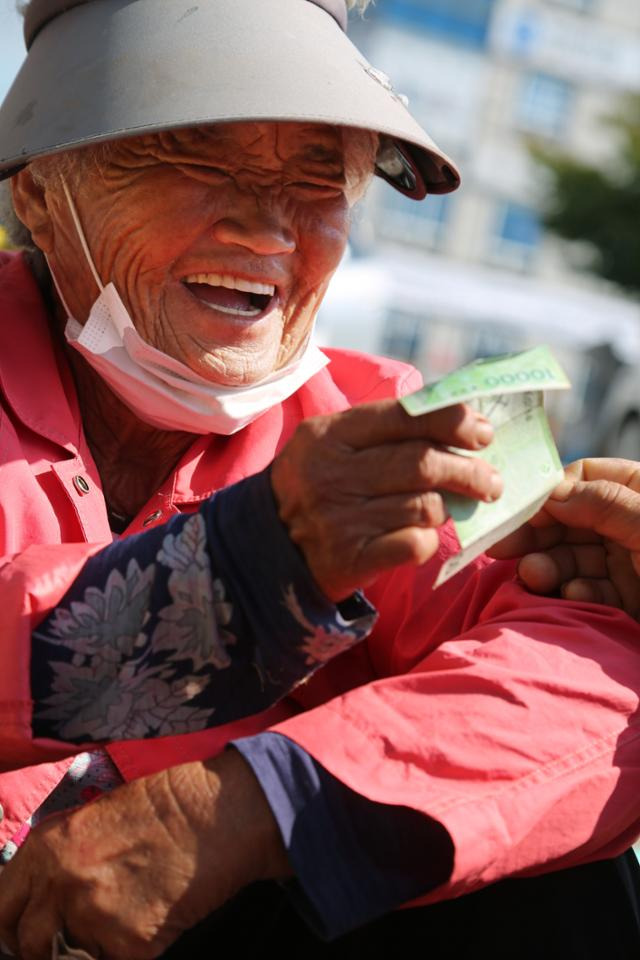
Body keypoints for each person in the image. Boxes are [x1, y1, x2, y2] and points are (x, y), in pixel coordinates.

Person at [0, 1, 639, 957]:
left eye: (317, 176)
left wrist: (250, 806)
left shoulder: (373, 413)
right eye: (191, 156)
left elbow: (600, 667)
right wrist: (246, 572)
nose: (267, 228)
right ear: (43, 193)